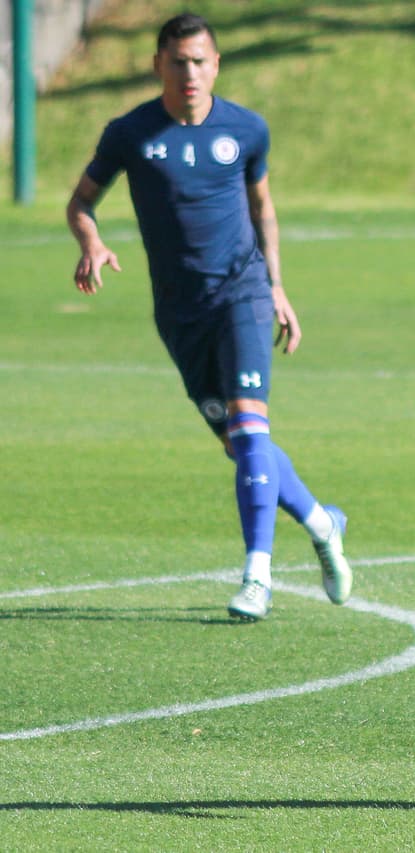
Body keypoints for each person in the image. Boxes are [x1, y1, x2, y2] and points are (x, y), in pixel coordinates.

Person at [65, 13, 352, 622]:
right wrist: (90, 242)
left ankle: (257, 576)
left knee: (252, 432)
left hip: (241, 294)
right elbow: (81, 202)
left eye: (200, 61)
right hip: (178, 311)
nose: (189, 73)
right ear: (157, 65)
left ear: (216, 64)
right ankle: (324, 522)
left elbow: (263, 210)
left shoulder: (247, 130)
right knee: (241, 446)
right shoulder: (131, 133)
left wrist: (276, 286)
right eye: (177, 61)